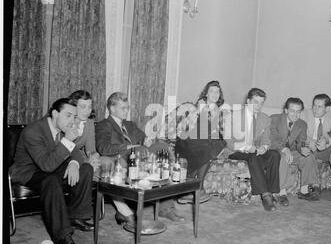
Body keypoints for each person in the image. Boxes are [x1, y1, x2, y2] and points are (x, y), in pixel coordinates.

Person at [10, 98, 95, 244]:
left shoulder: (63, 127)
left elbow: (77, 155)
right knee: (51, 180)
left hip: (50, 167)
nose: (72, 121)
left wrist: (74, 164)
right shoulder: (33, 131)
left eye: (74, 116)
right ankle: (62, 236)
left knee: (86, 168)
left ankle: (76, 216)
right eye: (68, 115)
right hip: (29, 171)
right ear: (55, 113)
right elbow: (46, 166)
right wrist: (68, 140)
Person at [95, 92, 185, 233]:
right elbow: (103, 148)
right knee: (142, 153)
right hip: (121, 158)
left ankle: (166, 206)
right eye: (123, 108)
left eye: (127, 107)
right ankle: (127, 210)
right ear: (112, 109)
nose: (126, 110)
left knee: (163, 147)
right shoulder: (103, 125)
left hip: (140, 154)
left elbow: (142, 138)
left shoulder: (130, 125)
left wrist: (146, 140)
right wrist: (128, 146)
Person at [223, 88, 281, 211]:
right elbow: (228, 142)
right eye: (255, 102)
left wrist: (264, 148)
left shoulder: (265, 118)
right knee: (254, 156)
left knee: (274, 154)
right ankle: (265, 195)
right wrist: (247, 147)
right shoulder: (233, 116)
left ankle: (272, 191)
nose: (258, 106)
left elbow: (266, 140)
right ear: (248, 101)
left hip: (254, 150)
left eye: (261, 103)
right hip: (236, 151)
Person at [176, 80, 226, 204]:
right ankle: (197, 187)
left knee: (215, 145)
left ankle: (190, 187)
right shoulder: (197, 107)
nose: (215, 94)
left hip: (203, 143)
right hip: (187, 142)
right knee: (209, 147)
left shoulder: (217, 111)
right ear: (206, 94)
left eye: (217, 92)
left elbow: (218, 132)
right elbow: (184, 128)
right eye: (212, 91)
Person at [270, 97, 321, 201]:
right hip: (275, 150)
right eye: (292, 111)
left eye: (298, 112)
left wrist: (303, 149)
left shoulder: (302, 124)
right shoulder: (274, 119)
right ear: (286, 110)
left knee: (308, 157)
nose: (295, 115)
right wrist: (284, 149)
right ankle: (281, 192)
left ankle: (304, 190)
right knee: (283, 157)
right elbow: (272, 138)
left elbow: (300, 142)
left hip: (291, 152)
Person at [69, 90, 101, 174]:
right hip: (65, 159)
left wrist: (94, 156)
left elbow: (90, 147)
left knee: (97, 167)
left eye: (89, 107)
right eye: (83, 107)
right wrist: (86, 161)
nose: (87, 111)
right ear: (73, 106)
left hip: (79, 158)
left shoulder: (89, 122)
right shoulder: (66, 122)